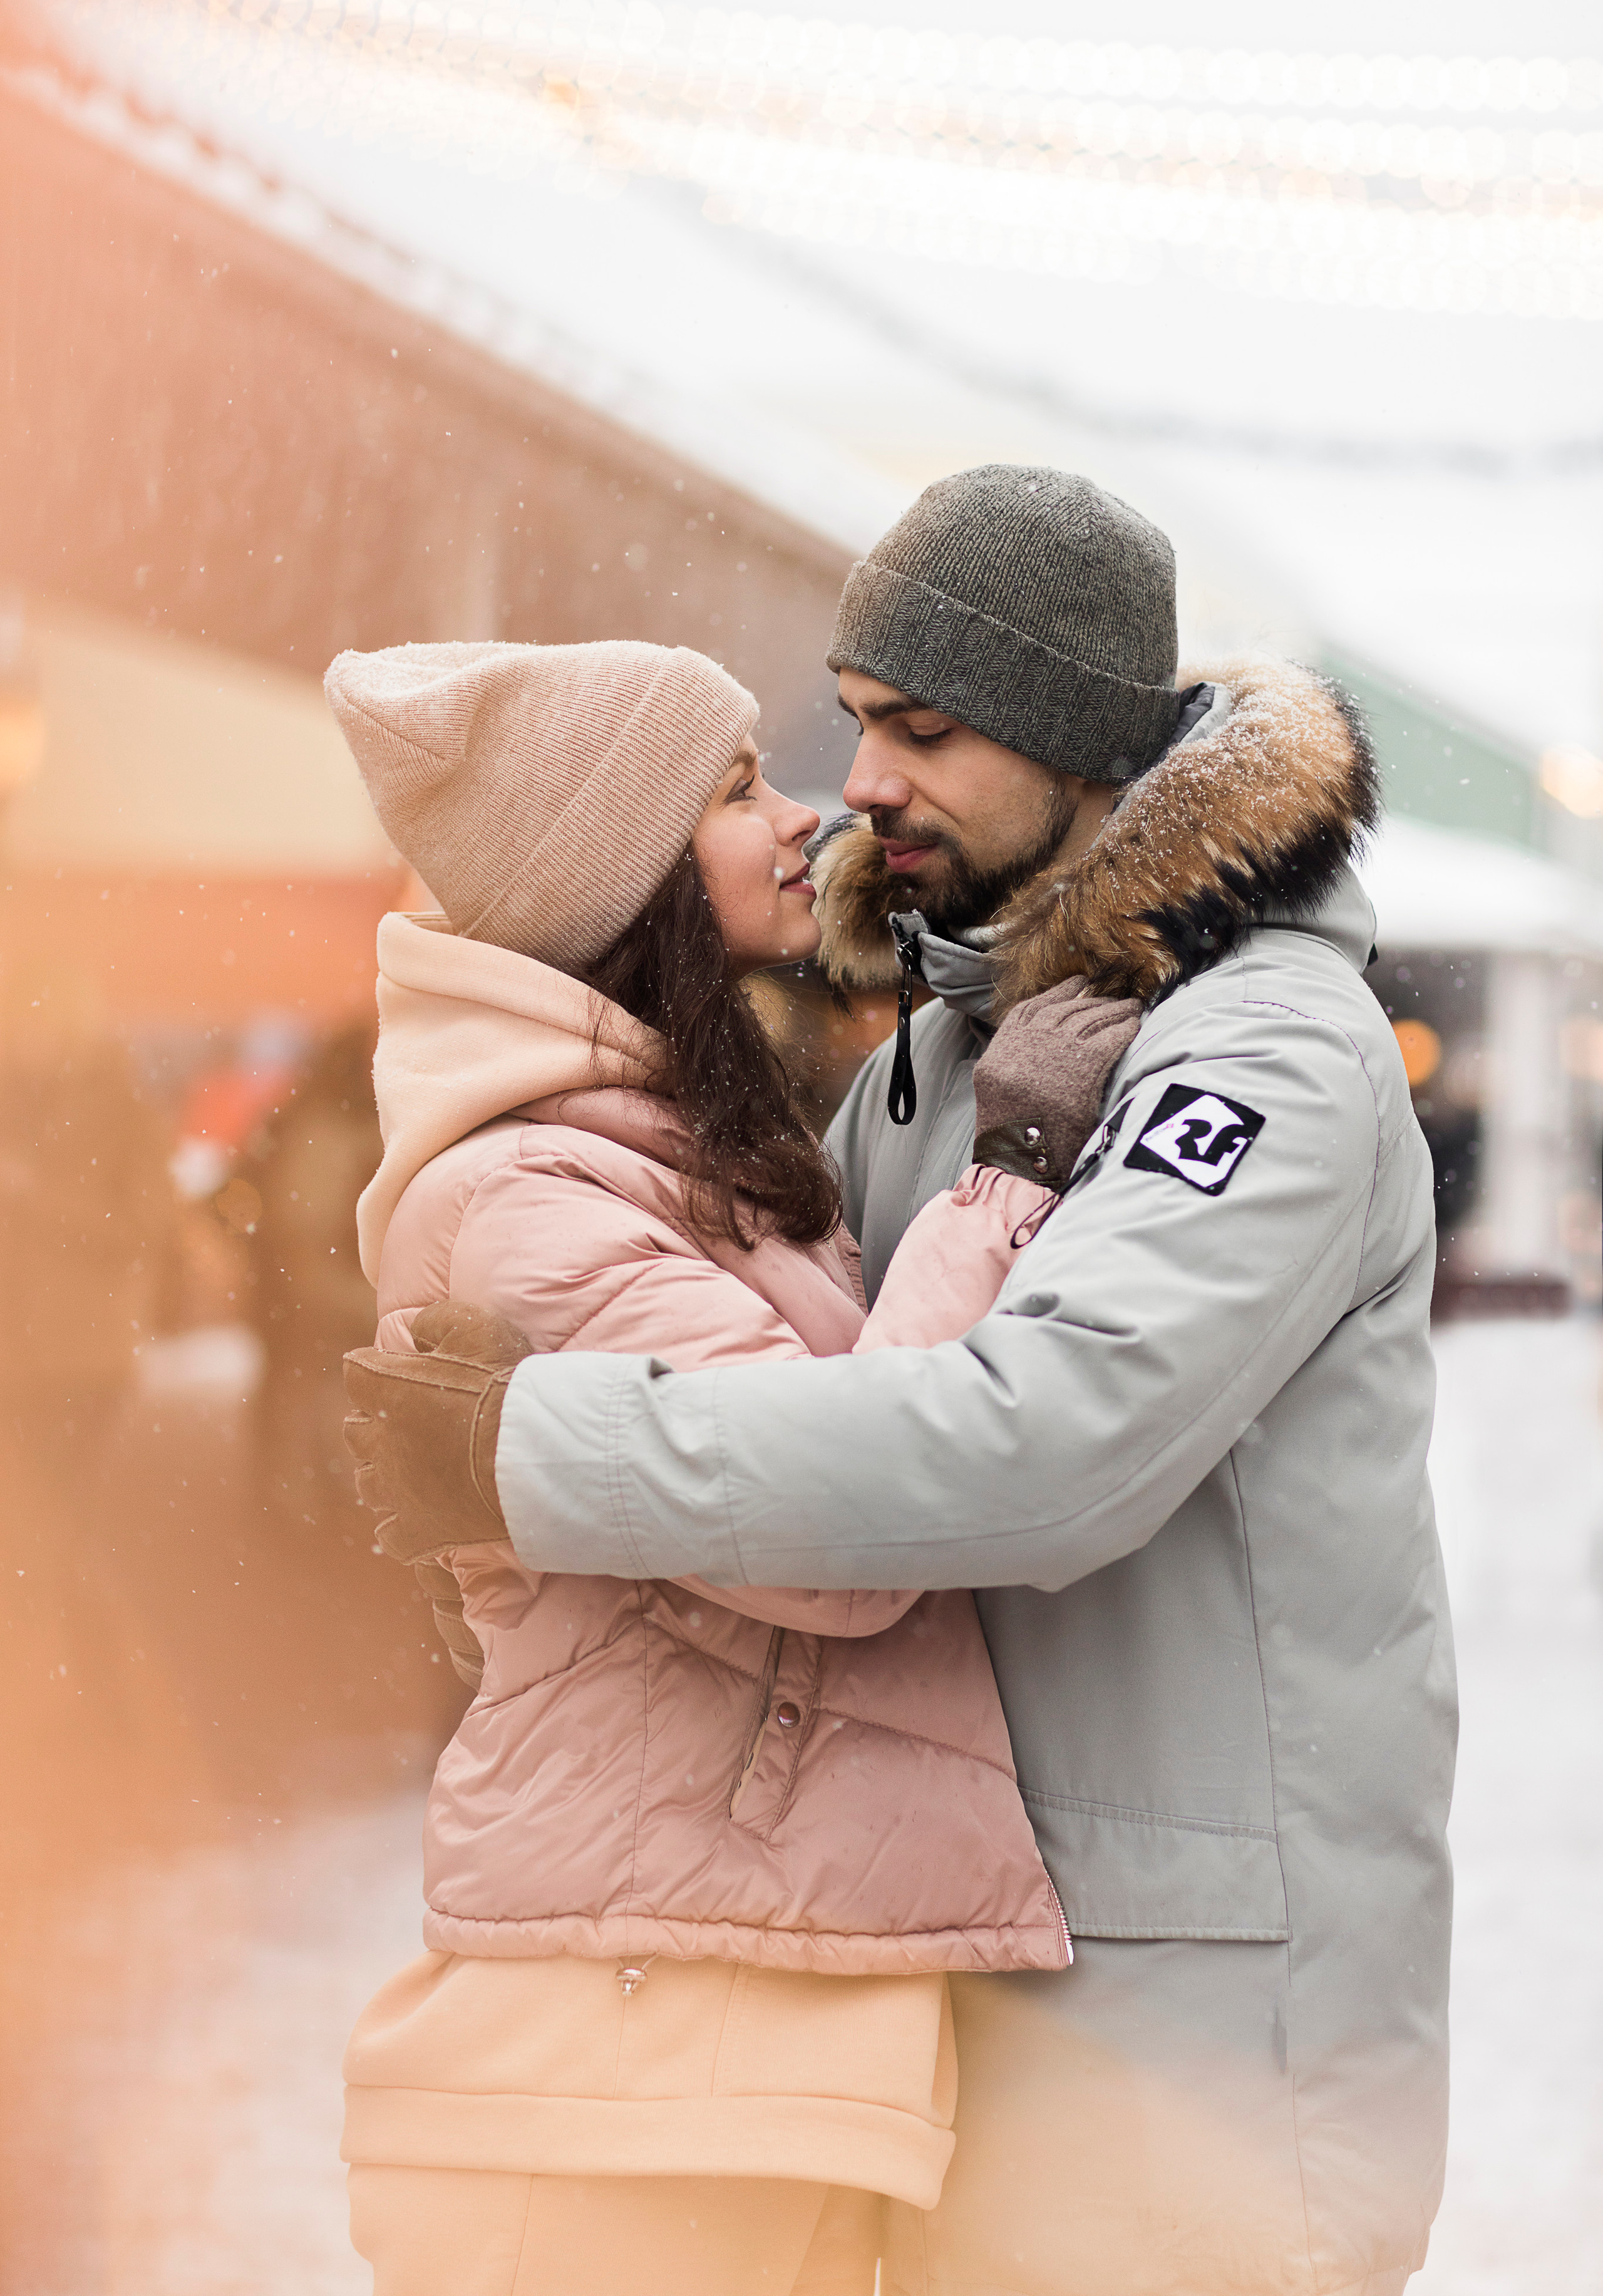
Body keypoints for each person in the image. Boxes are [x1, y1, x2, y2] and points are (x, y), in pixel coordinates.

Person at [344, 468, 1458, 2296]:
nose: (861, 789)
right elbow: (832, 1404)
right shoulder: (951, 1057)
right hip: (978, 2003)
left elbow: (1034, 1451)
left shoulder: (1256, 1050)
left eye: (920, 732)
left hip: (1203, 2030)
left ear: (1076, 736)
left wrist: (533, 1447)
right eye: (854, 726)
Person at [323, 636, 1079, 2296]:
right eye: (739, 790)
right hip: (627, 2074)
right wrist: (1008, 1181)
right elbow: (838, 1525)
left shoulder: (652, 1155)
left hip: (711, 2053)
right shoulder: (528, 1205)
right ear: (628, 868)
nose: (807, 820)